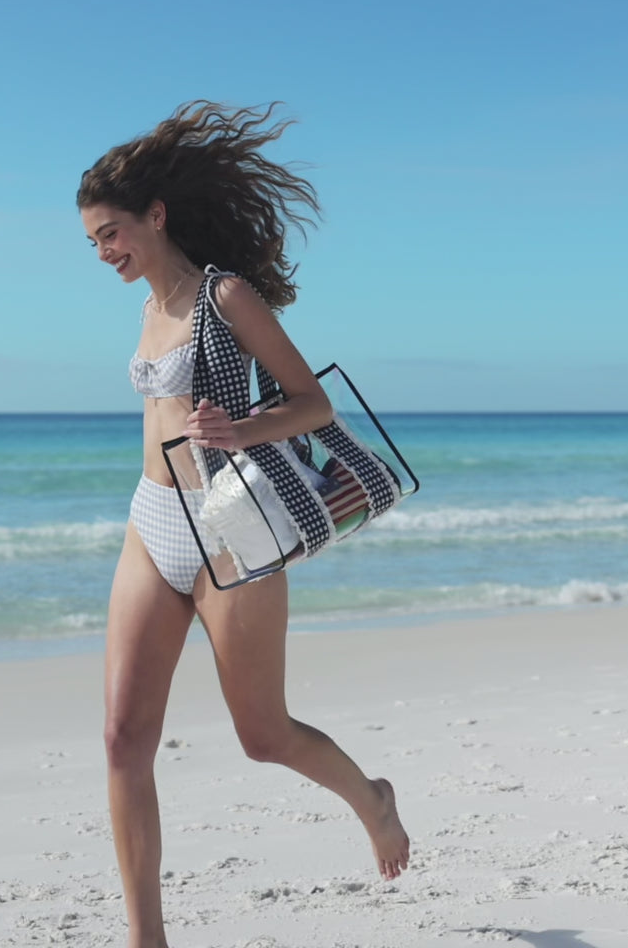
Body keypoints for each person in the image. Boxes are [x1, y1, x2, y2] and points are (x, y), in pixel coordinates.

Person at [77, 101, 409, 948]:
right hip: (155, 521)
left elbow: (314, 402)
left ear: (155, 215)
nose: (103, 252)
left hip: (237, 534)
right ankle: (145, 939)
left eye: (111, 233)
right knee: (121, 739)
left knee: (263, 735)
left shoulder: (226, 294)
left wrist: (242, 430)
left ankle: (371, 797)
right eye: (93, 242)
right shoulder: (149, 304)